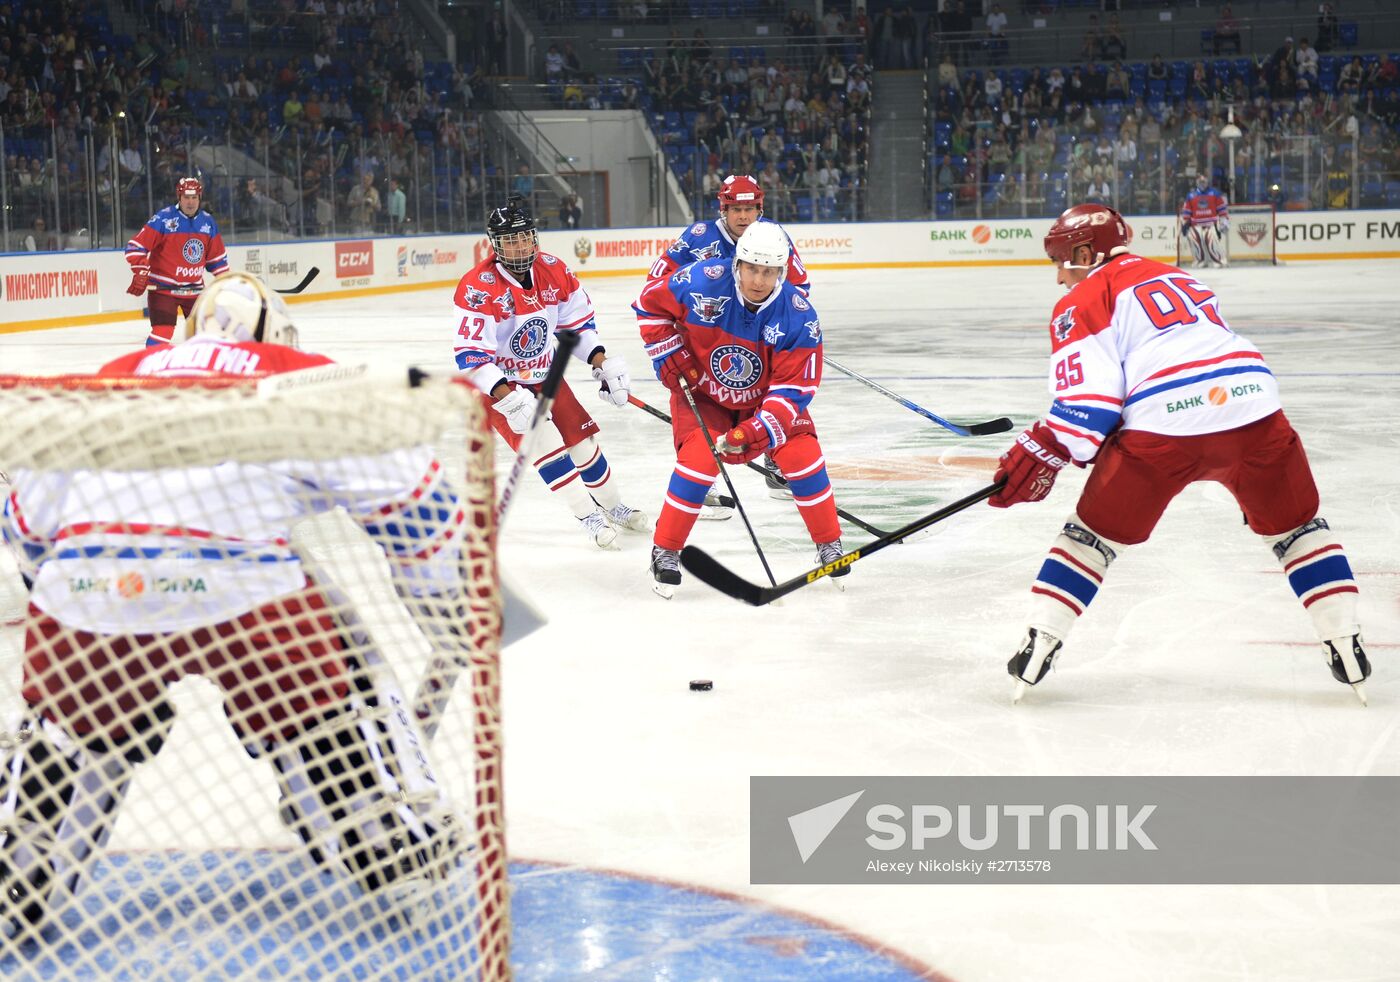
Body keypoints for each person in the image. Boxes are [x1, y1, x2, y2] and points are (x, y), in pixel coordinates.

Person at [0, 273, 466, 935]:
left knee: (70, 720)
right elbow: (415, 500)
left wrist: (88, 587)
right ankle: (378, 814)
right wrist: (449, 606)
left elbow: (26, 523)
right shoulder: (299, 375)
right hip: (248, 601)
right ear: (275, 332)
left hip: (89, 596)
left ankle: (27, 841)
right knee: (339, 624)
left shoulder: (116, 371)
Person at [988, 204, 1369, 703]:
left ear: (1085, 252)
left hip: (1165, 428)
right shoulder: (1179, 277)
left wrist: (1043, 451)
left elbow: (1089, 406)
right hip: (1255, 408)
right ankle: (1346, 641)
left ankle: (1039, 642)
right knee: (1298, 530)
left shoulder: (1084, 297)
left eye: (1062, 260)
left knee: (1090, 539)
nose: (1060, 275)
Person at [633, 222, 846, 599]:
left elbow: (791, 393)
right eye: (751, 268)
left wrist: (754, 432)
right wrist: (667, 352)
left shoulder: (799, 316)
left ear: (781, 272)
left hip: (762, 402)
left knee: (803, 457)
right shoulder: (701, 281)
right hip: (705, 394)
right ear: (737, 264)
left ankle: (829, 543)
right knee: (697, 463)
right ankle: (665, 549)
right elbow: (650, 307)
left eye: (768, 272)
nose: (759, 279)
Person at [450, 194, 647, 548]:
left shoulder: (554, 269)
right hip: (501, 388)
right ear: (496, 245)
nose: (521, 245)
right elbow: (471, 357)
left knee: (583, 444)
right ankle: (587, 515)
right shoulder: (478, 289)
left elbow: (578, 325)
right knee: (549, 446)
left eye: (526, 236)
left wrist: (600, 362)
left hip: (546, 376)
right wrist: (508, 400)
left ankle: (613, 506)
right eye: (511, 240)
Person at [645, 174, 811, 510]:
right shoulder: (698, 237)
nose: (743, 216)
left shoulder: (773, 236)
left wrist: (786, 329)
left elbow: (800, 288)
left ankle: (774, 461)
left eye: (750, 208)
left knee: (770, 395)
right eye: (736, 208)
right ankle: (699, 477)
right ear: (723, 208)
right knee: (700, 407)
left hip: (759, 342)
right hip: (704, 343)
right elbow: (656, 282)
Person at [124, 176, 230, 347]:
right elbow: (135, 247)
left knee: (207, 334)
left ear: (200, 198)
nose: (190, 202)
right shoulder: (164, 219)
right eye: (186, 197)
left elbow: (217, 262)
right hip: (163, 291)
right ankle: (153, 370)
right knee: (163, 332)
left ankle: (201, 371)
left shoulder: (208, 222)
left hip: (194, 291)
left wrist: (228, 283)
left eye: (194, 197)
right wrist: (141, 269)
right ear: (179, 197)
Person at [1180, 173, 1230, 268]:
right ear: (1197, 182)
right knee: (1194, 239)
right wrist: (1185, 223)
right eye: (1200, 182)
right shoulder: (1191, 195)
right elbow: (1187, 211)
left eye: (1204, 182)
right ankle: (1199, 260)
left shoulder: (1215, 193)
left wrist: (1224, 221)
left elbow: (1222, 209)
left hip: (1211, 224)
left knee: (1211, 241)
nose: (1202, 184)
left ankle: (1219, 260)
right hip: (1196, 225)